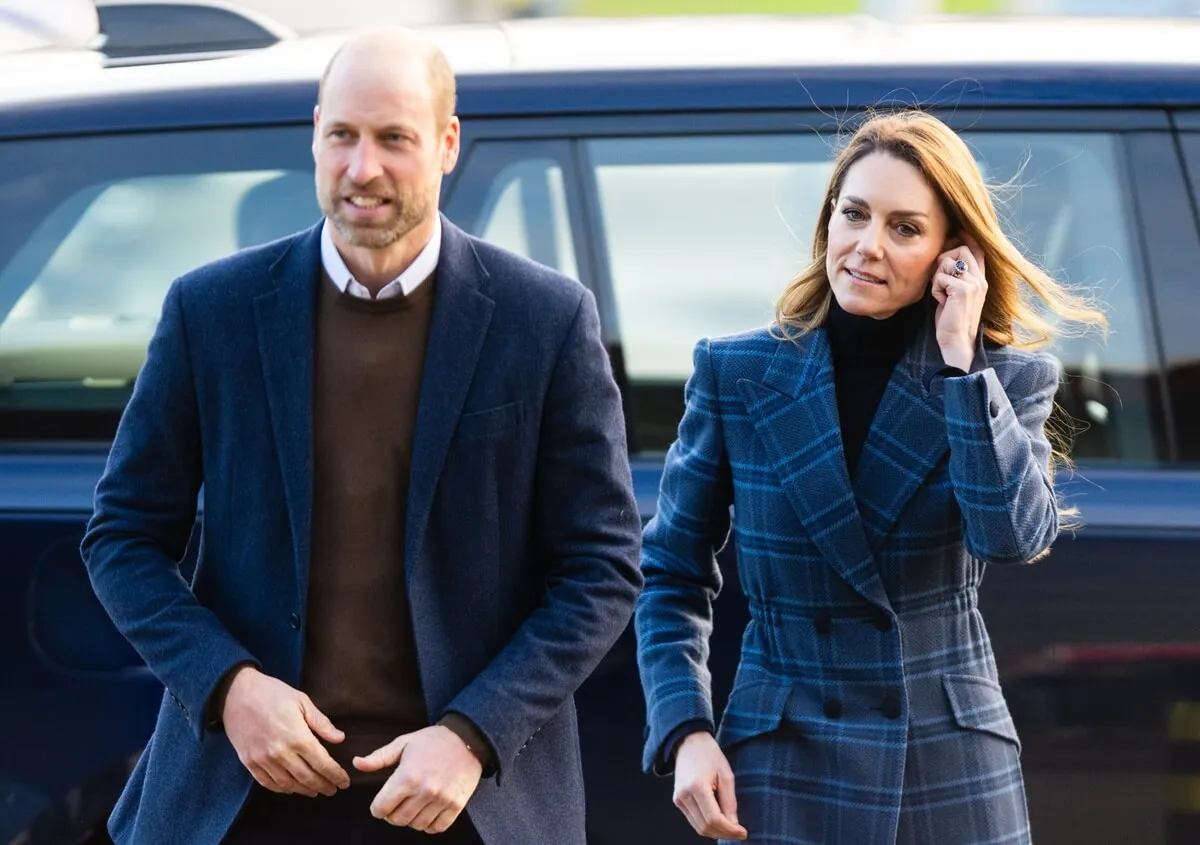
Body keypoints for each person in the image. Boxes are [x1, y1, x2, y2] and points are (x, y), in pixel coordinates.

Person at [80, 28, 642, 845]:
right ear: (314, 133)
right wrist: (229, 687)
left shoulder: (547, 320)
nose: (362, 167)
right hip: (244, 796)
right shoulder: (212, 312)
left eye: (394, 138)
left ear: (447, 143)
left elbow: (603, 566)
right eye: (342, 134)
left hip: (461, 800)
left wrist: (474, 733)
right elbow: (121, 536)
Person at [634, 110, 1106, 844]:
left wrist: (960, 364)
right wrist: (685, 729)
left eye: (905, 228)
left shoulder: (1004, 380)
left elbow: (1011, 537)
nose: (868, 245)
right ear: (829, 218)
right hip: (783, 757)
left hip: (946, 765)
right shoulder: (737, 371)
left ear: (954, 254)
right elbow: (670, 573)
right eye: (854, 214)